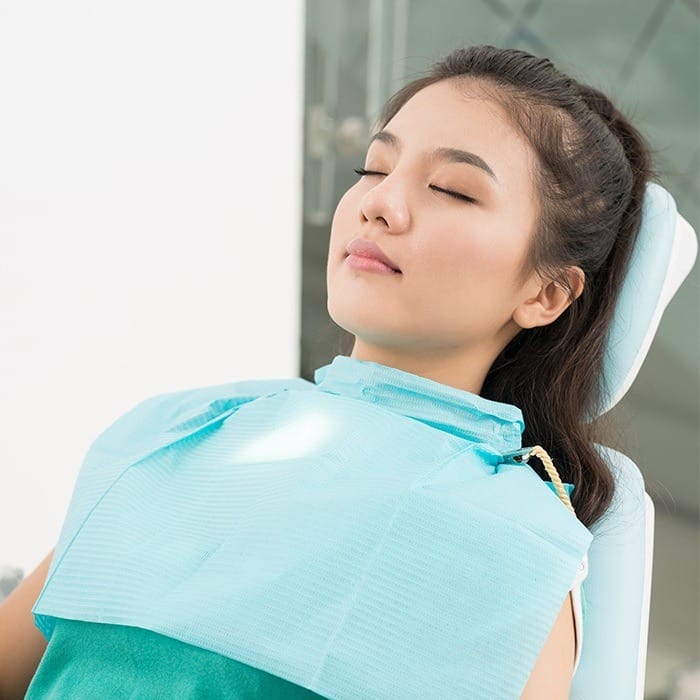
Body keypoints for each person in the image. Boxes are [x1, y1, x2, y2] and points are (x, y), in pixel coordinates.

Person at [0, 44, 653, 699]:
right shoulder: (184, 428)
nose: (381, 205)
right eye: (372, 168)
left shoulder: (512, 541)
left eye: (452, 189)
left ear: (547, 293)